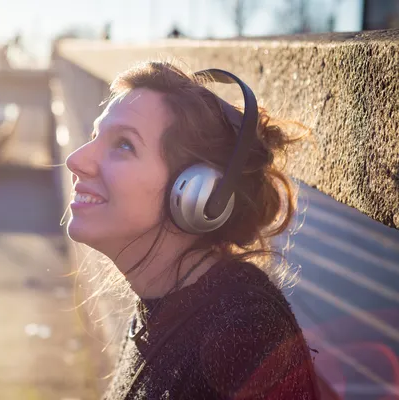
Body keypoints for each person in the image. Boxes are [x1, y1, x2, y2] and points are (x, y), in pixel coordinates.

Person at [64, 61, 321, 399]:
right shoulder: (159, 308)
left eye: (124, 144)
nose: (76, 159)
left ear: (199, 194)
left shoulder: (244, 332)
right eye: (95, 136)